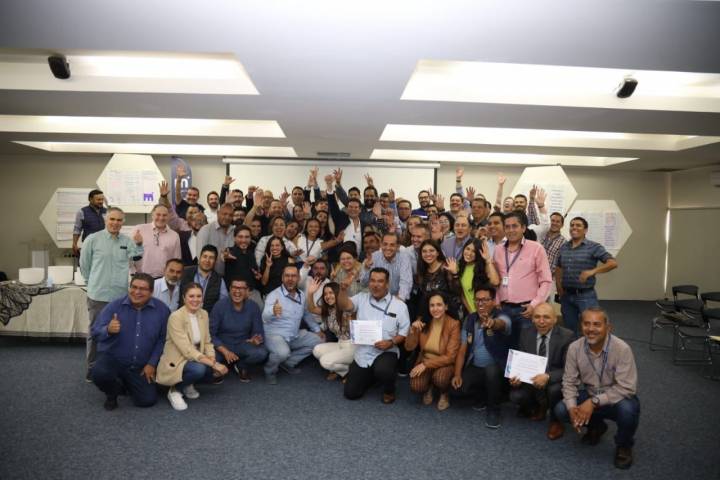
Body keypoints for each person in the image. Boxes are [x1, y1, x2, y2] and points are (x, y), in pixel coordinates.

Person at [554, 307, 639, 470]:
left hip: (616, 398)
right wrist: (572, 408)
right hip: (590, 393)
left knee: (628, 410)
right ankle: (596, 426)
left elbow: (627, 387)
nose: (591, 329)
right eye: (586, 324)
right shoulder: (575, 348)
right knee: (561, 409)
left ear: (608, 328)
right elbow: (569, 382)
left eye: (597, 324)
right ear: (581, 326)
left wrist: (593, 402)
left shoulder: (622, 349)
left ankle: (624, 445)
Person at [80, 207, 144, 378]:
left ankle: (114, 367)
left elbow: (136, 256)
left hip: (119, 296)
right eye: (112, 219)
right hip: (98, 295)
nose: (115, 223)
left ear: (123, 222)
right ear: (105, 220)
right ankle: (92, 368)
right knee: (95, 331)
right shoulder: (92, 239)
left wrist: (139, 244)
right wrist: (92, 284)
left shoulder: (127, 241)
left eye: (119, 220)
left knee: (119, 332)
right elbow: (84, 266)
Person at [89, 274, 169, 410]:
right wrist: (107, 329)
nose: (137, 292)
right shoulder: (114, 306)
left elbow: (162, 340)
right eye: (134, 287)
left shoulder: (162, 310)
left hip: (140, 365)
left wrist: (152, 364)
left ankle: (125, 384)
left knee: (146, 401)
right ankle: (112, 393)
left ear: (151, 292)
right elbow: (95, 332)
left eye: (143, 289)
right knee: (98, 374)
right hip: (113, 359)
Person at [338, 267, 410, 404]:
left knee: (384, 370)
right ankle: (373, 377)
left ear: (387, 284)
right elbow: (344, 306)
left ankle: (389, 390)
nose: (375, 285)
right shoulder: (361, 298)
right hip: (363, 352)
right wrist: (343, 290)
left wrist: (391, 342)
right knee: (351, 393)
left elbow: (404, 333)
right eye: (372, 281)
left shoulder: (399, 306)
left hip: (386, 351)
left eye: (380, 281)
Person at [157, 282, 228, 411]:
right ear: (184, 298)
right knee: (199, 369)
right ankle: (174, 391)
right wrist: (213, 364)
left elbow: (207, 341)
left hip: (195, 354)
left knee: (216, 363)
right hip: (178, 358)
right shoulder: (175, 317)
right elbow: (187, 350)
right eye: (191, 296)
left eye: (198, 296)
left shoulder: (204, 314)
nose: (195, 300)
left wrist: (212, 358)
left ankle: (187, 383)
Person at [509, 303, 574, 439]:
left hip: (553, 380)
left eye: (546, 317)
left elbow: (570, 369)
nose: (541, 321)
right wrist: (516, 376)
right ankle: (539, 406)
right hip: (532, 379)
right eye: (537, 317)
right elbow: (521, 360)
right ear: (532, 319)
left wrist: (548, 376)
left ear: (555, 319)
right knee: (516, 395)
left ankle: (556, 421)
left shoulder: (567, 336)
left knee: (554, 390)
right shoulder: (526, 333)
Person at [451, 286, 512, 428]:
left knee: (491, 371)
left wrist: (493, 323)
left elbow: (503, 324)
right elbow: (462, 349)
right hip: (477, 367)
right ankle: (483, 395)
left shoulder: (502, 316)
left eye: (485, 300)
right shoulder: (470, 319)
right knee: (456, 390)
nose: (480, 303)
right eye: (477, 300)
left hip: (497, 369)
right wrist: (457, 374)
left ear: (493, 301)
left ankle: (494, 410)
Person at [494, 211, 552, 348]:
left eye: (515, 226)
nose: (511, 230)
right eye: (507, 227)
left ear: (523, 228)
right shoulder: (498, 250)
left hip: (526, 310)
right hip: (504, 308)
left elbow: (546, 280)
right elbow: (495, 278)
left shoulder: (536, 248)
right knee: (504, 346)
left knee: (526, 348)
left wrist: (534, 304)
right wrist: (496, 300)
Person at [261, 265, 323, 384]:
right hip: (274, 335)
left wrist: (317, 329)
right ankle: (269, 371)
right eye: (287, 276)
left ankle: (288, 363)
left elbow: (306, 314)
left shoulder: (301, 295)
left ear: (298, 278)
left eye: (293, 276)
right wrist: (272, 310)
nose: (290, 279)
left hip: (293, 335)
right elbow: (264, 317)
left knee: (319, 340)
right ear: (282, 278)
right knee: (282, 353)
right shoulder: (273, 295)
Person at [556, 217, 618, 334]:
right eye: (572, 225)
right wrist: (558, 286)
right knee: (570, 330)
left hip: (586, 296)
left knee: (592, 329)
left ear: (585, 230)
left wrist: (593, 271)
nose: (574, 227)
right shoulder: (564, 247)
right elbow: (559, 267)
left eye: (578, 225)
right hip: (566, 296)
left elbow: (613, 263)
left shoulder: (594, 247)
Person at [405, 292, 461, 411]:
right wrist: (413, 331)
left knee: (440, 378)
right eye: (432, 305)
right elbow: (409, 347)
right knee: (416, 386)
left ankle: (444, 393)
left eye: (439, 305)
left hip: (444, 363)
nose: (435, 309)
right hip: (425, 361)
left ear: (446, 306)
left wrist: (425, 365)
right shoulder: (423, 321)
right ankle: (429, 385)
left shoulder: (453, 324)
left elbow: (450, 357)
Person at [210, 278, 269, 382]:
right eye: (234, 287)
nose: (237, 291)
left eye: (241, 288)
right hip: (222, 345)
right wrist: (225, 351)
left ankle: (241, 365)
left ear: (247, 291)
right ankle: (223, 364)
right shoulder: (219, 306)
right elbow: (211, 334)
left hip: (242, 344)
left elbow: (258, 331)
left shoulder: (253, 306)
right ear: (229, 289)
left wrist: (256, 340)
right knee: (208, 356)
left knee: (262, 353)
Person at [308, 279, 355, 381]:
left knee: (325, 361)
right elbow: (312, 309)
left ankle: (351, 372)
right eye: (325, 294)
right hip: (340, 343)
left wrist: (350, 321)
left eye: (331, 293)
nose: (328, 296)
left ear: (337, 293)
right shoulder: (329, 310)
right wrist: (310, 293)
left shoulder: (347, 308)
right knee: (316, 350)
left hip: (353, 347)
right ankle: (344, 371)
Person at [360, 232, 413, 302]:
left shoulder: (404, 258)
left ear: (398, 247)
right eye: (385, 244)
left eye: (392, 245)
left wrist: (398, 302)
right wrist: (366, 269)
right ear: (381, 245)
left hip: (397, 299)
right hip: (377, 299)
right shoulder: (373, 257)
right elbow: (363, 283)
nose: (388, 248)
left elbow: (405, 283)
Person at [134, 204, 181, 279]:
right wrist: (133, 274)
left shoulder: (174, 236)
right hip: (141, 278)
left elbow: (176, 260)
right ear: (152, 215)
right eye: (158, 214)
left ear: (168, 217)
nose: (161, 218)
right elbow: (128, 255)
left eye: (164, 215)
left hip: (163, 279)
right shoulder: (139, 230)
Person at [454, 238, 500, 316]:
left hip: (488, 313)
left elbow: (495, 282)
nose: (469, 253)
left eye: (474, 251)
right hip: (472, 313)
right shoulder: (459, 267)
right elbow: (462, 294)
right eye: (467, 249)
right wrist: (471, 312)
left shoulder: (483, 266)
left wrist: (488, 260)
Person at [223, 225, 263, 308]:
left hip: (251, 292)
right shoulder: (230, 251)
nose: (244, 240)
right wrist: (224, 256)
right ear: (234, 238)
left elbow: (255, 273)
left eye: (247, 237)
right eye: (240, 237)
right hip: (234, 294)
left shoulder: (251, 254)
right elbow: (224, 256)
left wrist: (257, 275)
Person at [179, 245, 228, 313]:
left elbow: (224, 304)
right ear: (200, 258)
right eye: (205, 256)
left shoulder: (219, 280)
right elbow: (177, 296)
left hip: (207, 317)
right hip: (185, 315)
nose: (207, 260)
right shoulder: (185, 273)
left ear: (215, 261)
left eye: (211, 258)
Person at [196, 203, 235, 275]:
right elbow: (200, 256)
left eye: (230, 215)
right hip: (210, 276)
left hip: (231, 276)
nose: (227, 217)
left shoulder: (235, 231)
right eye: (224, 214)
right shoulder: (206, 230)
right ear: (218, 213)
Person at [72, 189, 106, 256]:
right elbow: (77, 229)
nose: (101, 201)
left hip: (104, 246)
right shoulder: (82, 212)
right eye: (98, 199)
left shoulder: (107, 212)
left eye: (102, 199)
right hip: (88, 246)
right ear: (90, 199)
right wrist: (74, 244)